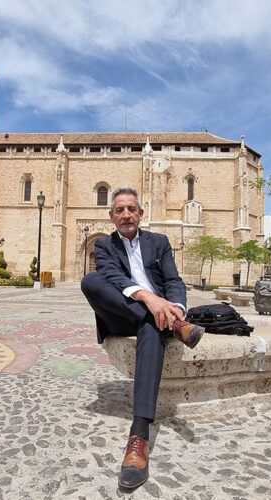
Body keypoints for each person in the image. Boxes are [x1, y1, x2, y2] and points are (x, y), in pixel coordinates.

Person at [80, 187, 205, 489]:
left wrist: (175, 308)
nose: (126, 215)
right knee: (91, 280)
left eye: (131, 209)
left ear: (140, 213)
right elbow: (113, 277)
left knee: (151, 324)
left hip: (156, 317)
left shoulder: (159, 242)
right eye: (120, 210)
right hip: (120, 314)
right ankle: (174, 326)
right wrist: (149, 298)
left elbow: (173, 280)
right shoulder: (104, 245)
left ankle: (139, 436)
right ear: (112, 216)